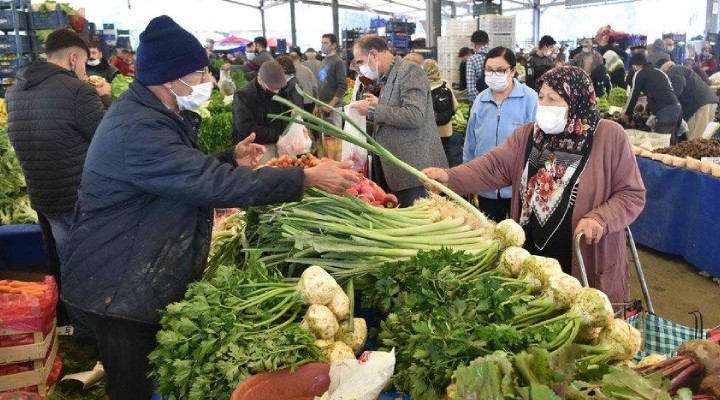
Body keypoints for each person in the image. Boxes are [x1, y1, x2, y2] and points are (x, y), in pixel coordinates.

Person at [60, 16, 359, 400]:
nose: (207, 80)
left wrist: (229, 157)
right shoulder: (139, 128)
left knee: (146, 377)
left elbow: (182, 171)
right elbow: (208, 185)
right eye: (200, 72)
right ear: (170, 78)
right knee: (132, 385)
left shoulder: (151, 113)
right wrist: (305, 180)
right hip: (119, 284)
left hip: (126, 270)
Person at [423, 66, 646, 304]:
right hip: (534, 259)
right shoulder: (530, 135)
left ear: (578, 99)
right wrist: (450, 178)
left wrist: (601, 218)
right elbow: (492, 166)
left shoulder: (609, 136)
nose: (545, 104)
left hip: (583, 259)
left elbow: (631, 194)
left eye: (554, 98)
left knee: (585, 322)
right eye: (541, 97)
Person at [5, 29, 112, 347]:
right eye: (84, 64)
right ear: (74, 57)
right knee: (96, 263)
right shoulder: (77, 92)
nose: (86, 72)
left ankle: (83, 330)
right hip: (80, 195)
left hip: (45, 196)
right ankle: (99, 333)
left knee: (68, 261)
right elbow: (108, 137)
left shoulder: (15, 91)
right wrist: (104, 95)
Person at [350, 35, 448, 206]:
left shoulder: (411, 72)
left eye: (360, 62)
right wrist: (378, 103)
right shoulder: (387, 77)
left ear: (373, 55)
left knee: (418, 225)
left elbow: (414, 115)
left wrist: (373, 109)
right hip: (396, 170)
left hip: (414, 172)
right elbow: (397, 107)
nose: (360, 68)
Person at [463, 47, 537, 222]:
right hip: (485, 185)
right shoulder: (480, 101)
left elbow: (538, 144)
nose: (493, 75)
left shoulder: (530, 99)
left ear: (512, 71)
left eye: (500, 70)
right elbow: (470, 143)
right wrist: (467, 176)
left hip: (518, 187)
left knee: (518, 239)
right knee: (489, 234)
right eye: (489, 70)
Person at [232, 61, 292, 160]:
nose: (277, 92)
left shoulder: (281, 91)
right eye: (272, 89)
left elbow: (288, 113)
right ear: (260, 80)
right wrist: (277, 137)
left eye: (279, 89)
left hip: (278, 146)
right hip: (253, 150)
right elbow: (246, 129)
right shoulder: (243, 96)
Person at [622, 53, 683, 143]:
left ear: (634, 66)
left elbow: (634, 95)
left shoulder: (639, 73)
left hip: (666, 111)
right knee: (671, 143)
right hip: (677, 108)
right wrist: (647, 106)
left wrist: (627, 113)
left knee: (661, 143)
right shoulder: (659, 72)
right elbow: (665, 91)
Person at [661, 61, 719, 140]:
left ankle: (698, 152)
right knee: (705, 137)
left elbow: (678, 89)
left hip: (698, 105)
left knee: (695, 139)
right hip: (709, 101)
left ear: (665, 69)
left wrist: (668, 100)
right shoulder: (682, 70)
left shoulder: (673, 70)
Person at [423, 59, 459, 166]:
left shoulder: (422, 86)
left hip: (429, 129)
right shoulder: (445, 84)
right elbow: (455, 105)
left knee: (430, 157)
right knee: (445, 154)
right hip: (446, 129)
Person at [315, 33, 347, 128]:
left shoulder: (338, 62)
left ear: (333, 45)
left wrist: (330, 106)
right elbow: (320, 85)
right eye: (322, 43)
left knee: (335, 138)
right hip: (322, 106)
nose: (323, 45)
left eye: (326, 43)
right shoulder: (323, 61)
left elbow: (343, 86)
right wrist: (317, 105)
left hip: (334, 108)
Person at [466, 29, 490, 103]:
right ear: (488, 41)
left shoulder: (472, 59)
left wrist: (481, 102)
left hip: (480, 101)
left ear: (473, 43)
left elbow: (471, 89)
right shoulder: (496, 55)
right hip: (497, 100)